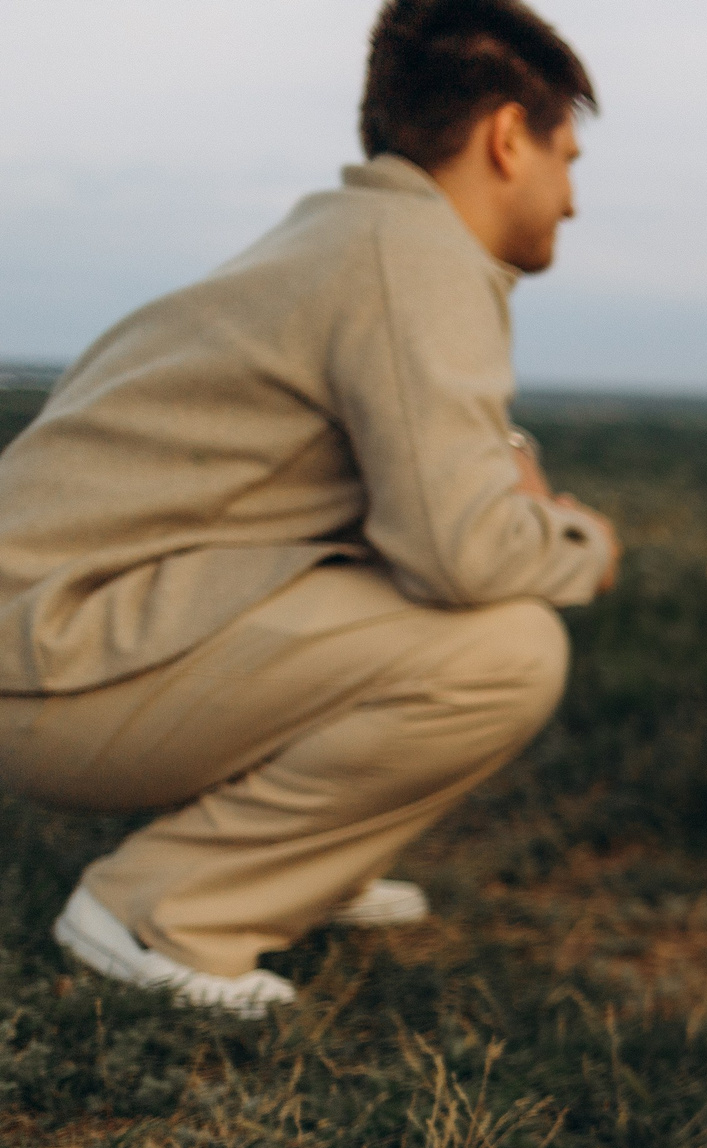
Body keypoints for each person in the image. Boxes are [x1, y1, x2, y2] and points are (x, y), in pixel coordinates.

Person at [0, 0, 619, 1018]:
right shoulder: (412, 254)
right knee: (508, 648)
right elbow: (462, 551)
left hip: (55, 639)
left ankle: (299, 871)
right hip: (54, 668)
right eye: (569, 159)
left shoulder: (352, 232)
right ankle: (158, 911)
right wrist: (587, 545)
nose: (572, 200)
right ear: (509, 137)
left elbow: (414, 507)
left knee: (431, 602)